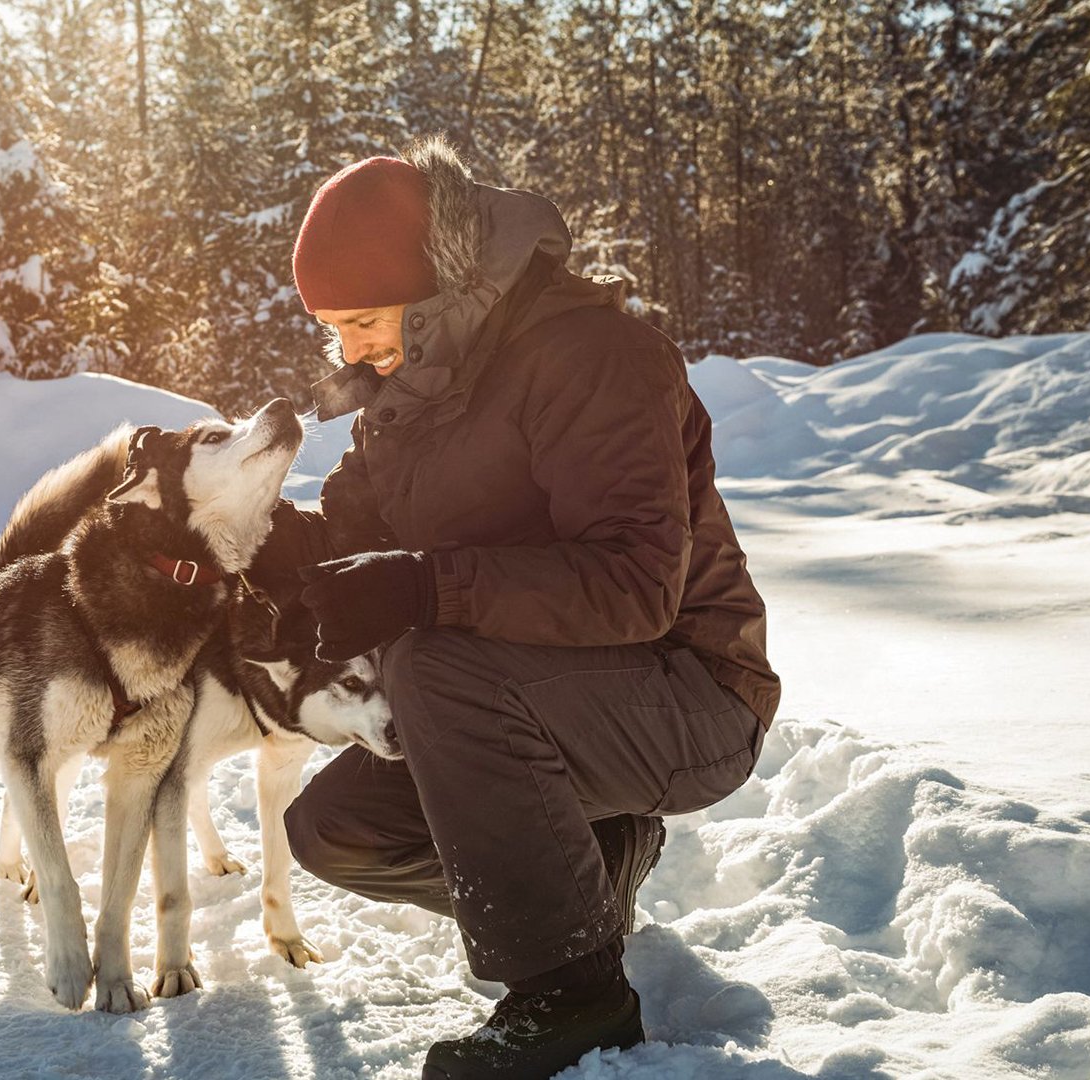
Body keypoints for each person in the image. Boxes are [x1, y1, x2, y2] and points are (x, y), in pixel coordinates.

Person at [281, 137, 781, 1079]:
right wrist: (254, 547)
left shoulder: (594, 358)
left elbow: (634, 584)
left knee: (436, 663)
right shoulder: (415, 389)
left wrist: (428, 583)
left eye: (362, 320)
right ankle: (595, 863)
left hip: (692, 693)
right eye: (335, 331)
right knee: (336, 830)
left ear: (429, 286)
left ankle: (574, 990)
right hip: (547, 701)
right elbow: (347, 529)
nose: (350, 351)